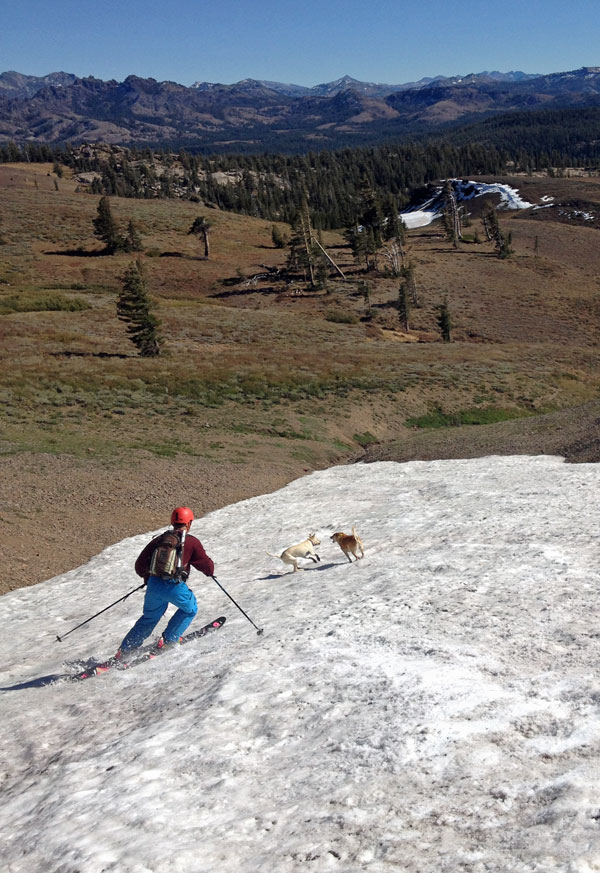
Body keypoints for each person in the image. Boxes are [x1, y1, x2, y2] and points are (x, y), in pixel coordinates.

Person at [116, 506, 214, 656]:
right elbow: (206, 565)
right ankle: (169, 640)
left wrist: (148, 577)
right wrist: (210, 572)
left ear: (172, 522)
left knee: (149, 617)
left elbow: (139, 565)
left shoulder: (159, 540)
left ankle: (125, 650)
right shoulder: (191, 542)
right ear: (189, 523)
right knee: (190, 609)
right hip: (174, 586)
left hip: (154, 585)